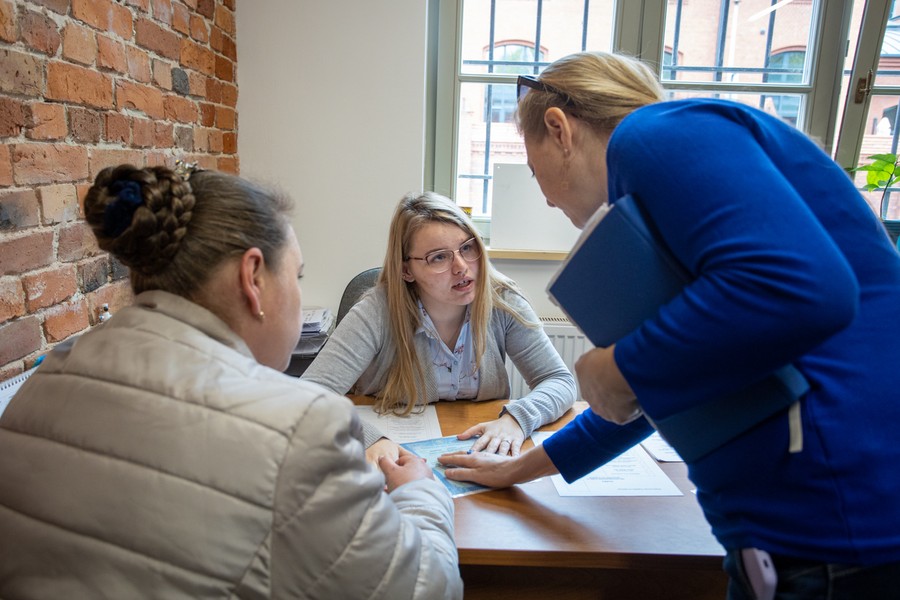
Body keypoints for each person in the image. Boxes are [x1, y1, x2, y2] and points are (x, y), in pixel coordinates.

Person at [438, 51, 900, 599]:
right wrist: (521, 468)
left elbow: (805, 288)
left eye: (536, 172)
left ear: (559, 128)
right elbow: (664, 388)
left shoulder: (655, 133)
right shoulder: (674, 193)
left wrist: (618, 364)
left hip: (835, 530)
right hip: (806, 536)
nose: (544, 196)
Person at [0, 164, 463, 599]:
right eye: (297, 276)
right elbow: (428, 588)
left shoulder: (44, 381)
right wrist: (419, 491)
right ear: (252, 278)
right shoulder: (299, 427)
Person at [302, 192, 576, 463]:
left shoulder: (502, 300)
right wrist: (370, 440)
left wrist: (517, 419)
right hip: (394, 457)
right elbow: (308, 397)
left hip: (476, 451)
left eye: (467, 248)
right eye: (438, 258)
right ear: (406, 270)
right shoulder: (377, 311)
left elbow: (559, 380)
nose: (461, 267)